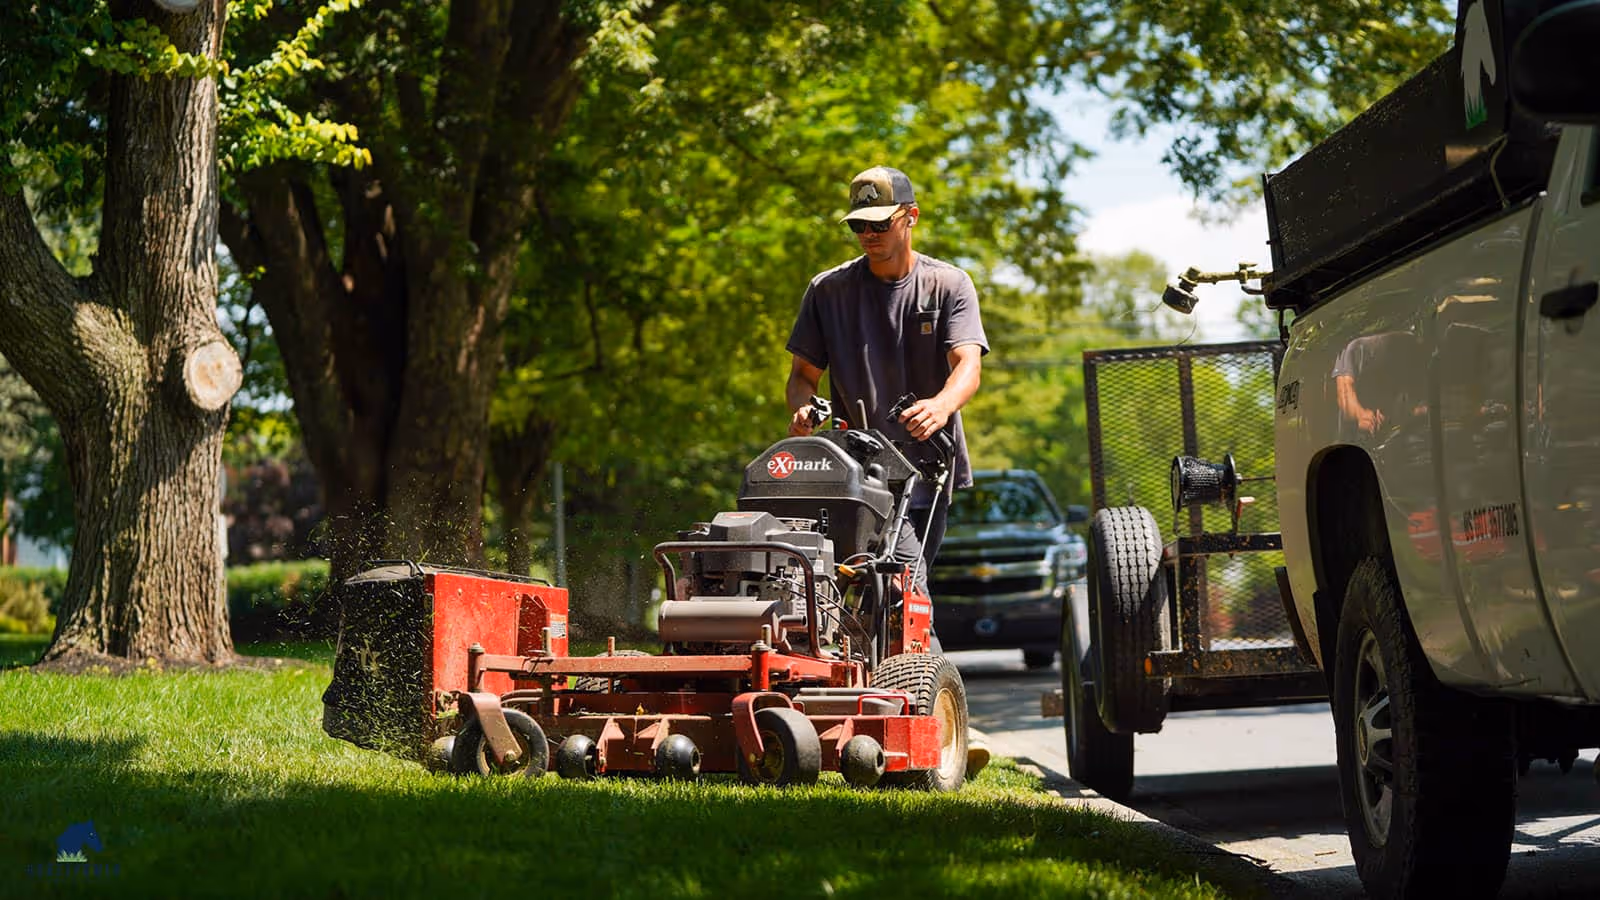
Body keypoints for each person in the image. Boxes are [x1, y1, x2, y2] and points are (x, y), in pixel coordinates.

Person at [784, 165, 991, 775]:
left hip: (927, 467)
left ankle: (923, 719)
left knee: (899, 587)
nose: (867, 235)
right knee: (875, 585)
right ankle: (920, 719)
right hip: (853, 472)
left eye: (879, 224)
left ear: (910, 216)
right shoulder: (829, 291)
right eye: (858, 226)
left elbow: (967, 367)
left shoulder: (948, 284)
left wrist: (941, 404)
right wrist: (803, 408)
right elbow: (802, 377)